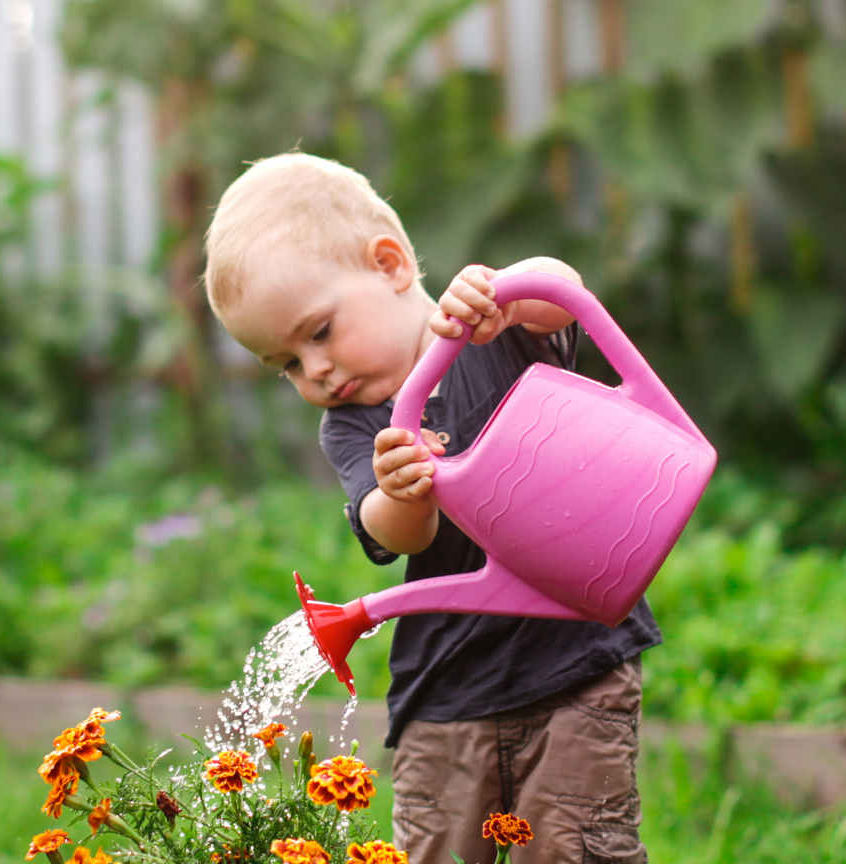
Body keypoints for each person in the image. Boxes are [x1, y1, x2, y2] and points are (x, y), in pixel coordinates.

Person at [203, 153, 658, 864]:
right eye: (285, 364)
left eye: (318, 332)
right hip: (445, 689)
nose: (314, 371)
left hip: (575, 660)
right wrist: (402, 492)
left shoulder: (493, 331)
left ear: (389, 266)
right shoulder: (355, 427)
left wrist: (508, 295)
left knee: (577, 849)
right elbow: (391, 532)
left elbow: (562, 292)